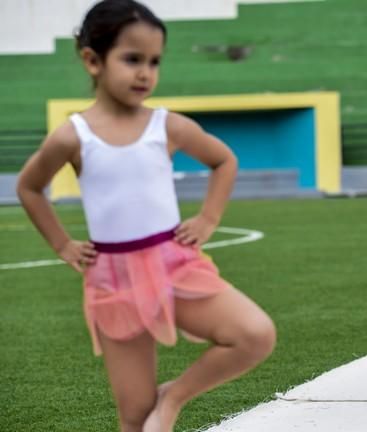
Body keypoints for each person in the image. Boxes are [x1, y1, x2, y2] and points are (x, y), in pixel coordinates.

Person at [16, 1, 276, 431]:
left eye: (154, 61)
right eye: (132, 59)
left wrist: (208, 219)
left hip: (174, 265)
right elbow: (29, 186)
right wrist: (61, 244)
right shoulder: (71, 136)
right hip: (113, 280)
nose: (145, 72)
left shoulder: (167, 126)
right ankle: (154, 408)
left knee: (254, 334)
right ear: (92, 60)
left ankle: (173, 396)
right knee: (136, 419)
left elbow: (224, 161)